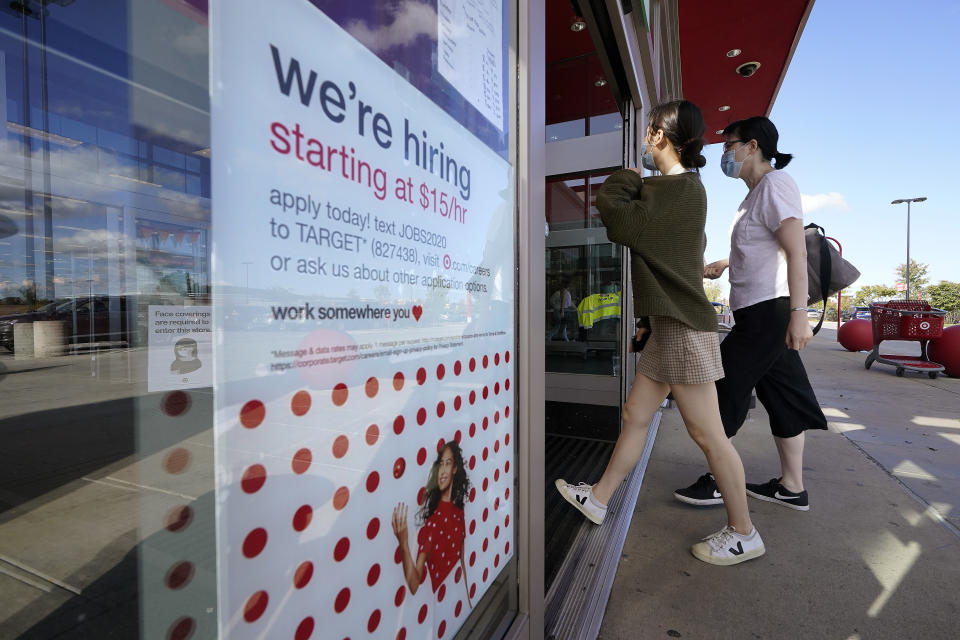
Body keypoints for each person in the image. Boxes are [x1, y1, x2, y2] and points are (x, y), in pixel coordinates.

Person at [555, 100, 765, 566]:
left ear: (658, 137)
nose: (644, 142)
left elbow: (618, 217)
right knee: (634, 414)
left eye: (648, 132)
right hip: (668, 324)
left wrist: (627, 176)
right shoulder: (679, 191)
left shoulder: (678, 192)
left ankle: (745, 532)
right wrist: (647, 321)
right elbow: (675, 262)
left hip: (686, 329)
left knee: (707, 433)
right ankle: (599, 498)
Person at [673, 116, 828, 511]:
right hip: (760, 311)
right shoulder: (753, 195)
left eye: (730, 145)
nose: (726, 153)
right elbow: (766, 245)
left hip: (769, 312)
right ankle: (793, 487)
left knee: (723, 388)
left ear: (753, 146)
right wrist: (727, 262)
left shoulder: (776, 184)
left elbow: (797, 251)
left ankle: (719, 481)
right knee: (784, 396)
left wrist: (798, 314)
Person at [393, 441, 473, 608]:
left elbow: (462, 560)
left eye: (448, 463)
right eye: (440, 464)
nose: (443, 471)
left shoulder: (459, 510)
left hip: (459, 601)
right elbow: (414, 585)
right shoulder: (432, 524)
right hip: (441, 607)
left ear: (455, 469)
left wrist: (468, 600)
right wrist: (404, 543)